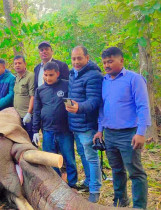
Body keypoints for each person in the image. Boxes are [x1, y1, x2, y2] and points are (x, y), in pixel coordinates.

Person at [94, 47, 151, 208]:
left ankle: (139, 206)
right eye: (104, 62)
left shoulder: (134, 79)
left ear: (121, 60)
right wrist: (100, 130)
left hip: (129, 134)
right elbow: (102, 108)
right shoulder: (104, 81)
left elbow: (143, 107)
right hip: (110, 134)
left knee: (135, 172)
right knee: (117, 170)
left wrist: (141, 132)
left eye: (110, 61)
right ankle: (120, 201)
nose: (106, 65)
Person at [66, 46, 103, 202]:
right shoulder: (73, 74)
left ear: (87, 58)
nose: (76, 62)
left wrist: (79, 108)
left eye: (79, 58)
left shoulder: (93, 76)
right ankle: (88, 182)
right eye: (73, 59)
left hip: (87, 125)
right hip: (75, 124)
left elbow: (94, 101)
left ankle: (95, 190)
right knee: (83, 155)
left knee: (92, 158)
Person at [32, 61, 76, 188]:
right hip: (47, 131)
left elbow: (71, 104)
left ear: (57, 74)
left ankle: (72, 184)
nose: (47, 78)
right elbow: (37, 110)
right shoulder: (40, 90)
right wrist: (35, 130)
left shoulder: (66, 85)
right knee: (50, 159)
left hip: (64, 130)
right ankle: (56, 184)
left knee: (69, 158)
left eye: (51, 75)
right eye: (45, 75)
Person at [13, 55, 35, 140]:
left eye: (20, 63)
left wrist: (29, 113)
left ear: (25, 64)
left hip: (27, 116)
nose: (17, 65)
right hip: (17, 116)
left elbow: (32, 96)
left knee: (30, 141)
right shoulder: (15, 77)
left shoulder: (30, 76)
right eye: (15, 64)